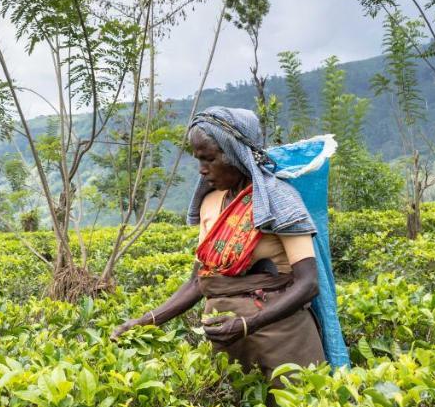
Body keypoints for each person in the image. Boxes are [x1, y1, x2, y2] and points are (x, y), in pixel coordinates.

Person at [113, 107, 326, 380]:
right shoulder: (211, 203)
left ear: (236, 154)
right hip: (227, 341)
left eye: (209, 159)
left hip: (283, 340)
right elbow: (198, 282)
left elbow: (308, 283)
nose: (202, 170)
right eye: (199, 160)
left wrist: (248, 324)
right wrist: (144, 323)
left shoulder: (279, 200)